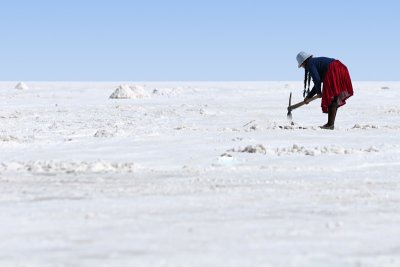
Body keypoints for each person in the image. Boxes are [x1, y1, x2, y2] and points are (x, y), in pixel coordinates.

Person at [296, 51, 354, 130]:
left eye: (301, 65)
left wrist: (319, 92)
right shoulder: (315, 62)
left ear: (304, 62)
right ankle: (330, 124)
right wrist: (308, 97)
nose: (302, 67)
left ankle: (330, 124)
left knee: (330, 96)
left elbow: (317, 80)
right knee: (334, 97)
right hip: (340, 68)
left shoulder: (310, 64)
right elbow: (317, 82)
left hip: (333, 69)